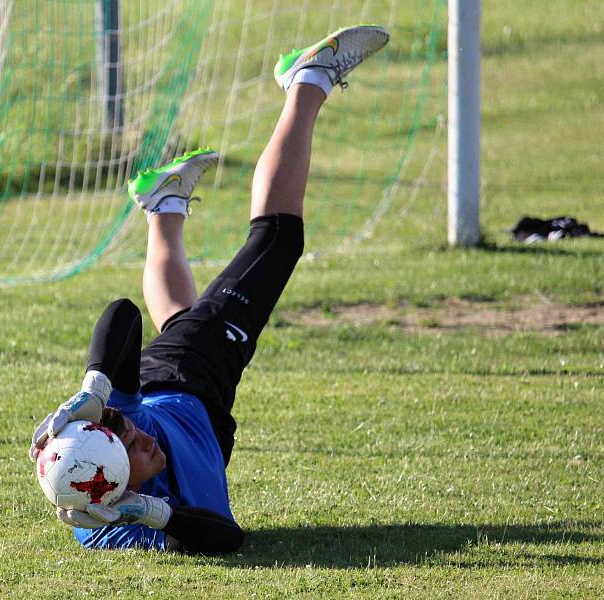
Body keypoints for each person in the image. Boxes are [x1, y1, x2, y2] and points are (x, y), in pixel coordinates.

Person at [30, 25, 390, 553]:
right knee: (183, 317)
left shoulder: (122, 427)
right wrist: (152, 509)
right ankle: (163, 206)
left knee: (277, 241)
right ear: (111, 488)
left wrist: (95, 392)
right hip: (204, 414)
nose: (138, 432)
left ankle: (307, 81)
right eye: (132, 445)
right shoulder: (116, 518)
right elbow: (225, 538)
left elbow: (121, 314)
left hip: (188, 376)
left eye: (125, 433)